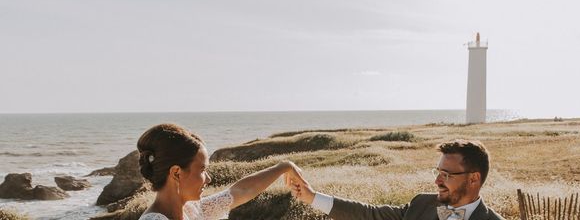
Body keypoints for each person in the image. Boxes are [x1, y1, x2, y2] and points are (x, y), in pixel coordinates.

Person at [287, 139, 505, 220]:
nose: (437, 181)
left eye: (446, 175)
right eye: (438, 172)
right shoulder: (421, 205)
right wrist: (312, 197)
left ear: (474, 179)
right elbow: (368, 214)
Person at [136, 123, 299, 220]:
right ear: (176, 173)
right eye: (202, 170)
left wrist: (283, 167)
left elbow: (241, 190)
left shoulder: (191, 210)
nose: (208, 179)